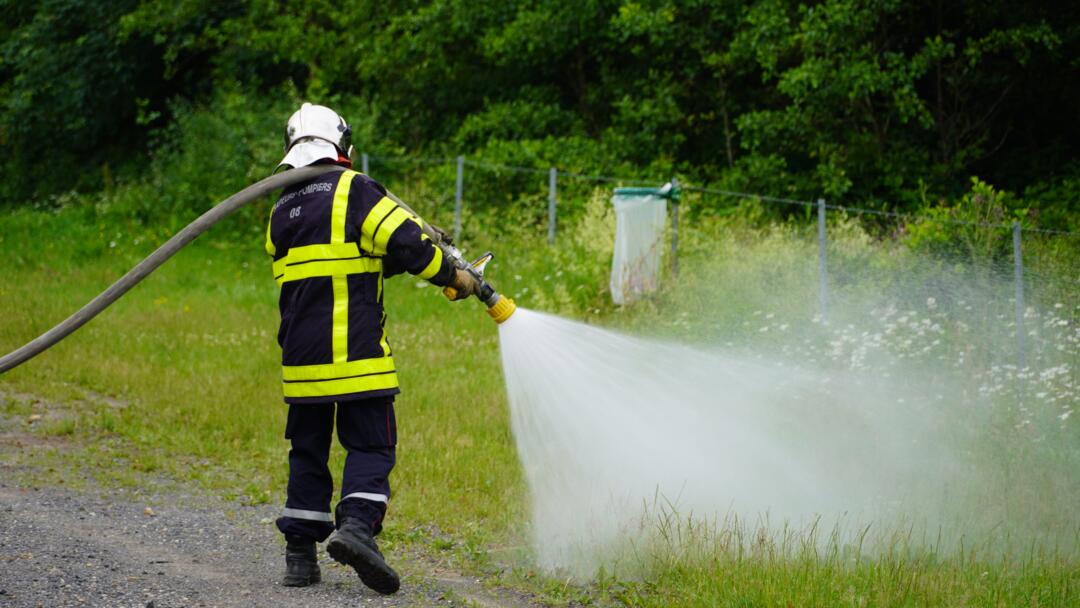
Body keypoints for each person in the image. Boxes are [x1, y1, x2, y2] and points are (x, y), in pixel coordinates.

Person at [265, 103, 478, 594]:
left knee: (308, 451)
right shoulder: (355, 189)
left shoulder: (280, 208)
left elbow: (344, 263)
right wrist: (455, 275)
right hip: (358, 356)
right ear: (343, 145)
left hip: (301, 363)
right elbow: (410, 244)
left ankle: (300, 556)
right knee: (371, 445)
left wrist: (408, 258)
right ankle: (357, 528)